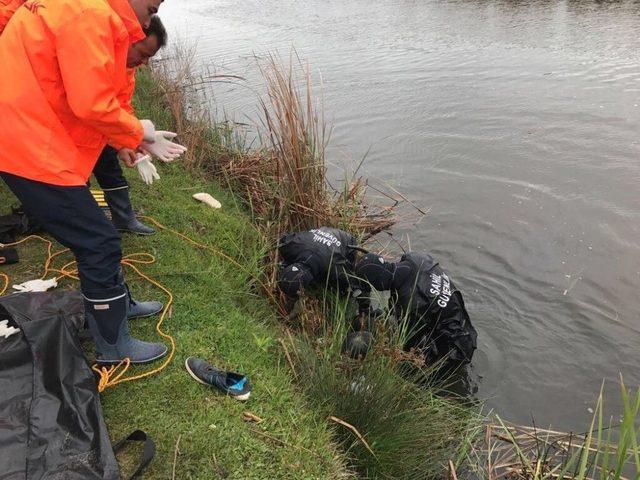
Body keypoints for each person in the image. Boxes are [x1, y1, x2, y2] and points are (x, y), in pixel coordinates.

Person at [0, 0, 181, 364]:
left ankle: (117, 306)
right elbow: (91, 103)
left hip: (35, 139)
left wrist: (129, 140)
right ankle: (113, 344)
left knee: (97, 235)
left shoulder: (100, 18)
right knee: (98, 240)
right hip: (31, 146)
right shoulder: (89, 15)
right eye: (152, 6)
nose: (152, 15)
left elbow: (97, 93)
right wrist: (138, 131)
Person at [92, 15, 170, 236]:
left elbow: (122, 106)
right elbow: (92, 108)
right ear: (128, 38)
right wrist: (132, 136)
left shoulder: (128, 68)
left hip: (103, 131)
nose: (144, 63)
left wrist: (128, 142)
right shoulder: (97, 57)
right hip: (75, 134)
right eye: (143, 54)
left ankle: (124, 220)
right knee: (75, 183)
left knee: (111, 172)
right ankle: (79, 225)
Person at [355, 252, 477, 367]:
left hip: (457, 350)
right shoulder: (416, 257)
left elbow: (408, 345)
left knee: (410, 368)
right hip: (462, 321)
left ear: (378, 282)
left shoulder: (412, 303)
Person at [277, 227, 365, 305]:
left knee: (342, 292)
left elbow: (351, 284)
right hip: (324, 233)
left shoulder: (333, 268)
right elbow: (283, 238)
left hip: (347, 242)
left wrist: (357, 295)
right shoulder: (289, 247)